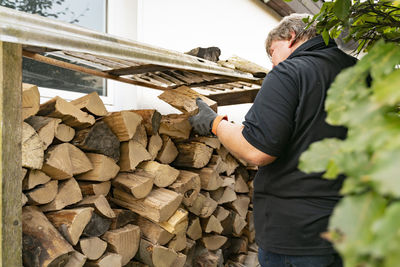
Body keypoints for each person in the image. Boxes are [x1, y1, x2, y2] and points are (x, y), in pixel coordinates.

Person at [189, 13, 357, 267]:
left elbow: (257, 149)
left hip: (297, 238)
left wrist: (215, 124)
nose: (272, 64)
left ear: (291, 37)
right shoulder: (361, 73)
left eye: (272, 52)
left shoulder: (290, 71)